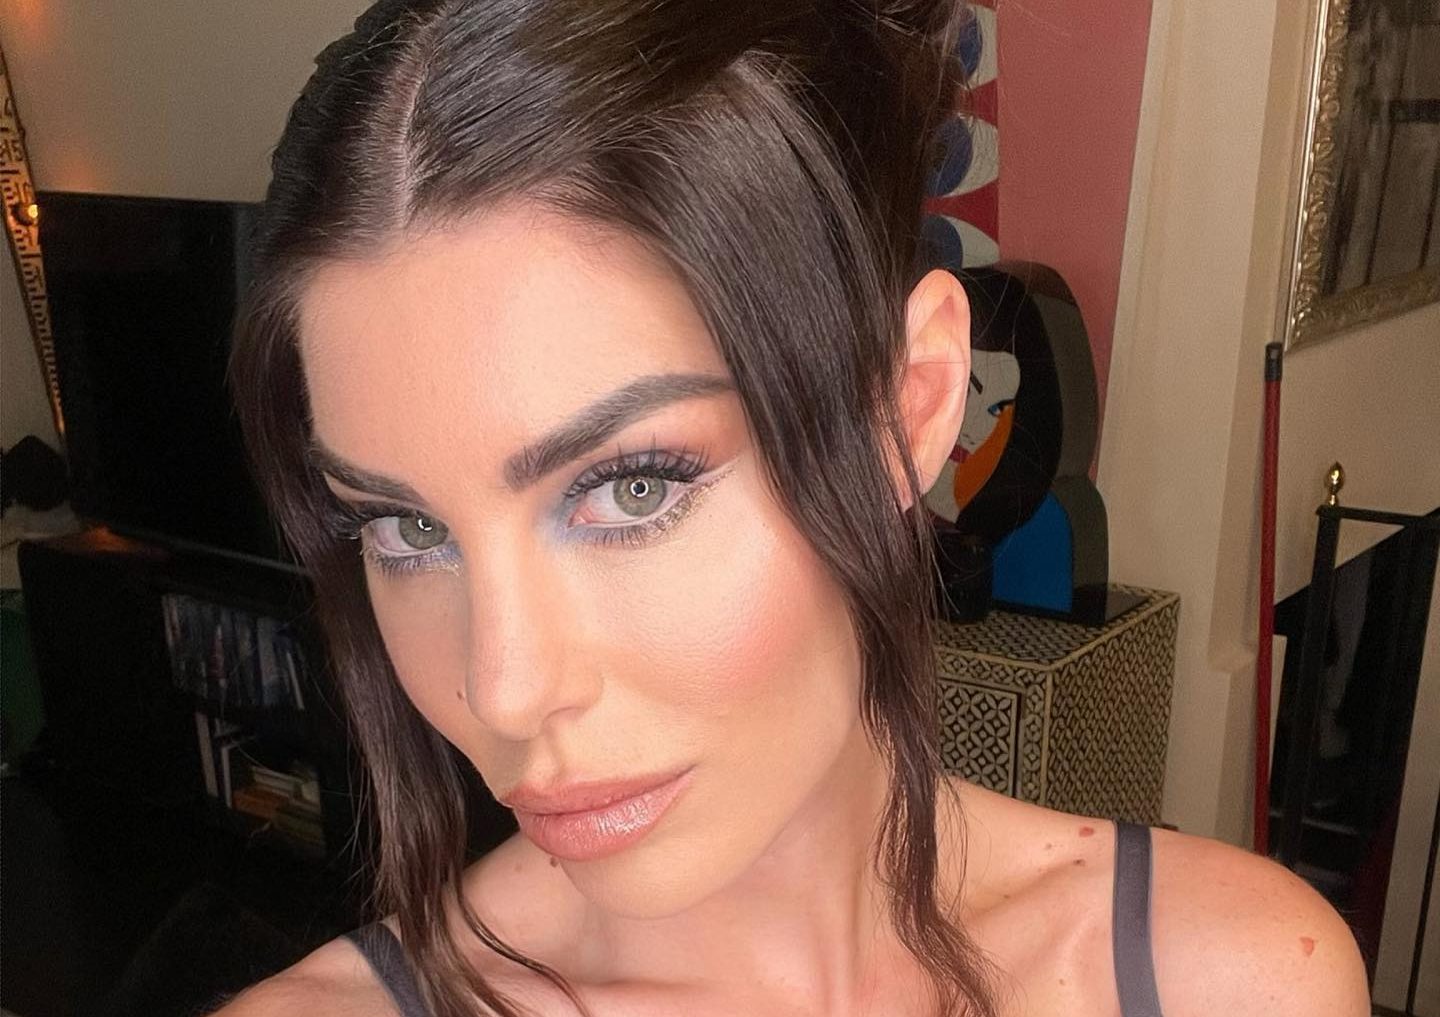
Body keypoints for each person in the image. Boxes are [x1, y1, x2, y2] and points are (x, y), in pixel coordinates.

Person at [212, 1, 1369, 1014]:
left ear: (913, 405)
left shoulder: (1237, 981)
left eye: (632, 486)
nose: (503, 689)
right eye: (408, 530)